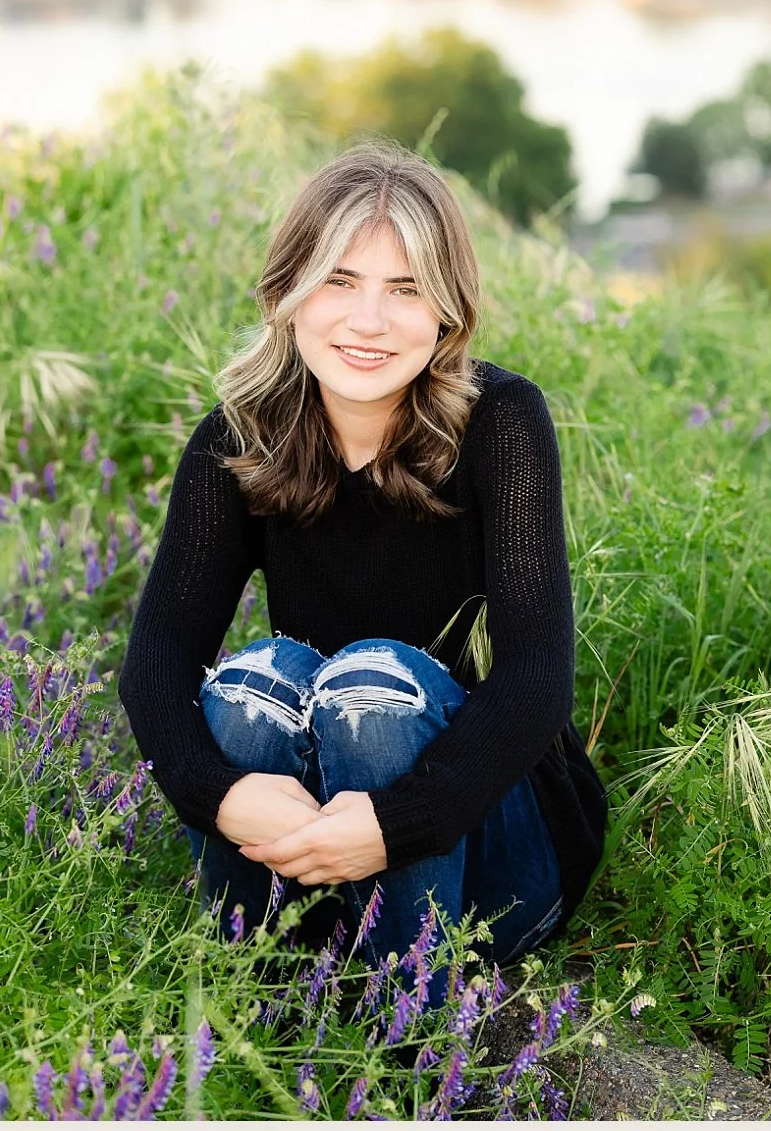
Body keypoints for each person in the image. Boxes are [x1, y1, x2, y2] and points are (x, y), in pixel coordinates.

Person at [119, 148, 606, 1003]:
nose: (370, 321)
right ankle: (259, 989)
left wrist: (393, 825)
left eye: (406, 288)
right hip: (313, 843)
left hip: (488, 849)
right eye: (339, 281)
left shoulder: (502, 420)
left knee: (369, 689)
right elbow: (156, 657)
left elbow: (537, 676)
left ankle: (406, 1013)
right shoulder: (239, 437)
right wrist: (221, 797)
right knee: (252, 689)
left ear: (449, 312)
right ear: (287, 294)